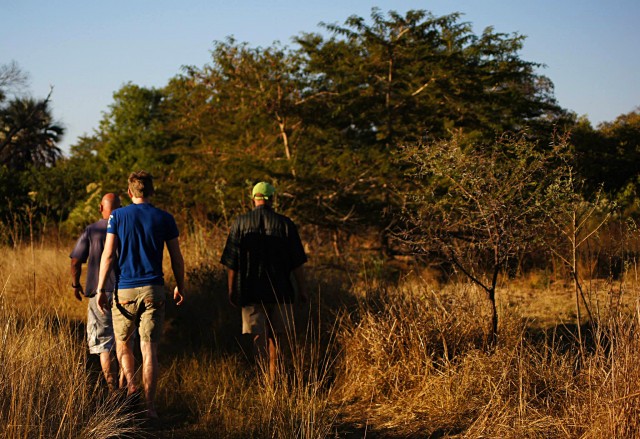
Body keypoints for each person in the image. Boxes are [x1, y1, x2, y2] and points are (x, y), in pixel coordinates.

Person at [96, 171, 185, 420]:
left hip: (124, 289)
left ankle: (131, 387)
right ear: (152, 191)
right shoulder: (165, 218)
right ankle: (149, 407)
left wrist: (102, 288)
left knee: (123, 344)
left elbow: (109, 255)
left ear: (129, 192)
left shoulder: (117, 216)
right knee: (150, 350)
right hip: (153, 289)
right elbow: (176, 258)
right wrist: (180, 285)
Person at [221, 181, 308, 383]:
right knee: (278, 337)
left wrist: (231, 290)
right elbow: (297, 263)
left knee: (258, 336)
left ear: (253, 198)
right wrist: (302, 289)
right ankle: (274, 378)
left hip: (251, 291)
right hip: (282, 290)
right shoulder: (286, 224)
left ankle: (262, 382)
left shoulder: (240, 223)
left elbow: (231, 262)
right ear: (272, 199)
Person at [70, 193, 120, 392]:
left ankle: (113, 391)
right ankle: (127, 388)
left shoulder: (91, 230)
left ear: (101, 208)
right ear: (121, 208)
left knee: (104, 344)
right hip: (124, 291)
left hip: (98, 294)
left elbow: (75, 260)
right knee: (125, 343)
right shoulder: (126, 229)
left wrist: (75, 284)